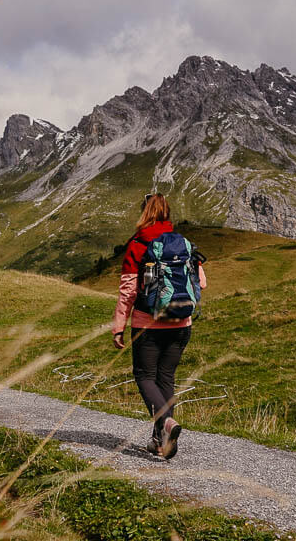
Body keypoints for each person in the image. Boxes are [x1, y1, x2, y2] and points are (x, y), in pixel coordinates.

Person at [111, 193, 206, 459]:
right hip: (181, 322)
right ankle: (161, 441)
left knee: (144, 375)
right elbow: (202, 283)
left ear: (144, 212)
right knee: (166, 378)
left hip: (147, 324)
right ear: (167, 212)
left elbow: (128, 291)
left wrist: (118, 325)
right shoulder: (183, 243)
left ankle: (165, 422)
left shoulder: (138, 244)